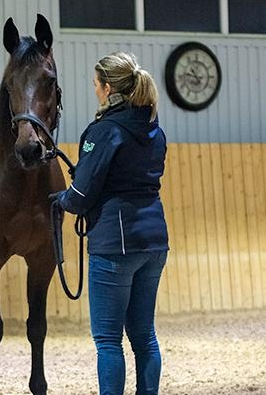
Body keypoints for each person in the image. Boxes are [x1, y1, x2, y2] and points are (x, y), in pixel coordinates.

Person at [51, 52, 169, 395]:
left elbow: (81, 195)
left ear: (106, 88)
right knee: (144, 335)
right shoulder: (153, 128)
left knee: (108, 340)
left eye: (95, 84)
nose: (94, 90)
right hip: (154, 239)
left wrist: (60, 200)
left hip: (115, 243)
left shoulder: (103, 131)